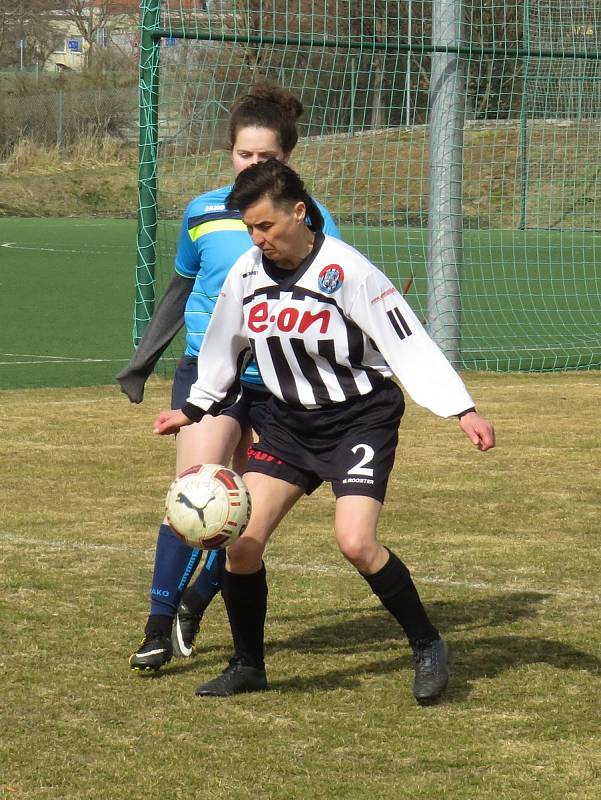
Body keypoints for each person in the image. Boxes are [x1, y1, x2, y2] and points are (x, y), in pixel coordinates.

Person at [153, 159, 496, 704]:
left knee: (356, 543)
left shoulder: (346, 271)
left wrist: (462, 409)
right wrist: (193, 409)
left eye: (266, 226)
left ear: (299, 212)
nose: (258, 239)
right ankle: (248, 666)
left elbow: (407, 343)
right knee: (242, 543)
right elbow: (223, 345)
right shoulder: (246, 273)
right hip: (286, 424)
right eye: (250, 229)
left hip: (358, 420)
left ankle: (428, 645)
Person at [117, 86, 341, 671]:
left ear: (287, 160)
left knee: (242, 512)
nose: (256, 165)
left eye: (268, 158)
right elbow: (181, 290)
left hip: (280, 380)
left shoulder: (312, 220)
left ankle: (197, 602)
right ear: (230, 154)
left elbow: (336, 299)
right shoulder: (202, 212)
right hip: (209, 375)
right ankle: (158, 625)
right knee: (193, 490)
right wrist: (142, 363)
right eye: (245, 155)